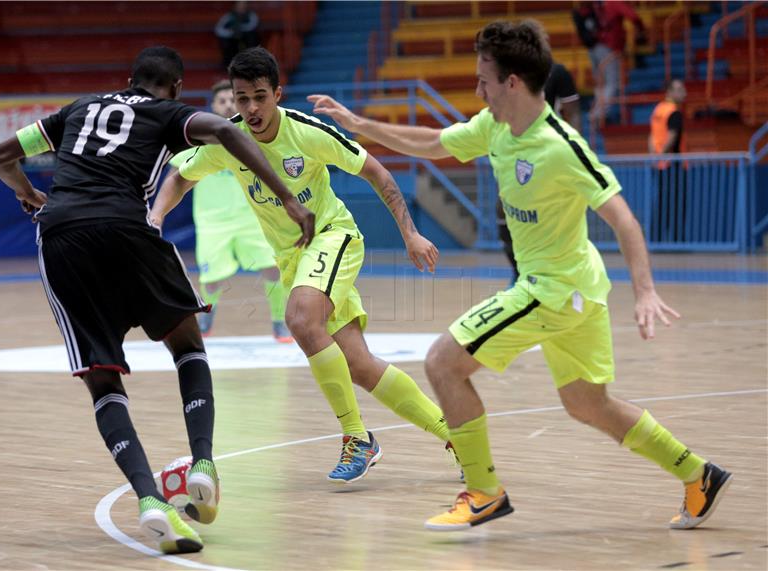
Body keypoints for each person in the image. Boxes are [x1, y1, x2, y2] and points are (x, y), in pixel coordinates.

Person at [308, 20, 731, 531]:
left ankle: (484, 492)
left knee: (443, 362)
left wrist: (645, 291)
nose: (478, 88)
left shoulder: (561, 146)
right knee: (587, 404)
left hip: (553, 290)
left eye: (484, 78)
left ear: (512, 82)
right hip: (577, 289)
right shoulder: (494, 126)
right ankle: (697, 475)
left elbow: (623, 218)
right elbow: (433, 142)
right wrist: (361, 123)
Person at [0, 46, 314, 554]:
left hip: (62, 236)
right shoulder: (165, 112)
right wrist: (289, 198)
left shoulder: (77, 110)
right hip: (127, 228)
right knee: (187, 347)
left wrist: (29, 194)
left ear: (128, 78)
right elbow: (227, 131)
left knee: (103, 382)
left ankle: (149, 500)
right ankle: (202, 463)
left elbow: (0, 156)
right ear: (178, 87)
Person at [152, 47, 459, 484]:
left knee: (299, 316)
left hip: (334, 237)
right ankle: (458, 436)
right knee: (360, 365)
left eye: (260, 96)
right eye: (242, 99)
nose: (252, 108)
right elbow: (180, 177)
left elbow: (377, 172)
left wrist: (410, 233)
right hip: (294, 257)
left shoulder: (307, 133)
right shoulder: (229, 140)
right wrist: (156, 218)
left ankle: (356, 437)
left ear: (278, 93)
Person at [169, 80, 291, 340]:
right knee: (211, 280)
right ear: (213, 105)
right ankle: (207, 318)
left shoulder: (258, 134)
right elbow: (175, 174)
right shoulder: (197, 139)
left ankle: (280, 322)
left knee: (273, 269)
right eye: (221, 100)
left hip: (254, 219)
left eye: (231, 100)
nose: (226, 105)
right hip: (213, 222)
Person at [499, 60, 581, 284]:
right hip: (514, 149)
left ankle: (552, 277)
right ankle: (519, 274)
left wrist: (573, 150)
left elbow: (572, 112)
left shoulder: (558, 71)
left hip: (545, 152)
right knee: (503, 215)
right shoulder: (510, 73)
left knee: (544, 218)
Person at [577, 1, 646, 124]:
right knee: (612, 83)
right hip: (609, 47)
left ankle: (595, 113)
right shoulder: (614, 2)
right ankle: (598, 115)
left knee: (601, 84)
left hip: (593, 48)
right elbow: (634, 17)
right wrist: (641, 29)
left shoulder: (598, 4)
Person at [649, 78, 688, 243]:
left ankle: (656, 239)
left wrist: (653, 158)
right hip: (674, 165)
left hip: (659, 165)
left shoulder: (658, 109)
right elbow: (672, 137)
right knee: (677, 205)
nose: (683, 93)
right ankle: (678, 242)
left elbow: (651, 136)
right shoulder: (674, 112)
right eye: (679, 89)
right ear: (669, 92)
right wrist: (662, 155)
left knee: (661, 203)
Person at [215, 1, 260, 70]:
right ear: (235, 6)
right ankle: (228, 64)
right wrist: (231, 33)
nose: (242, 7)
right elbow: (219, 29)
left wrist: (240, 29)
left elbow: (252, 26)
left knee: (252, 37)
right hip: (232, 38)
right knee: (226, 43)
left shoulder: (251, 15)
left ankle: (252, 63)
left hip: (246, 37)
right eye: (239, 5)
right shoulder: (228, 16)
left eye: (243, 5)